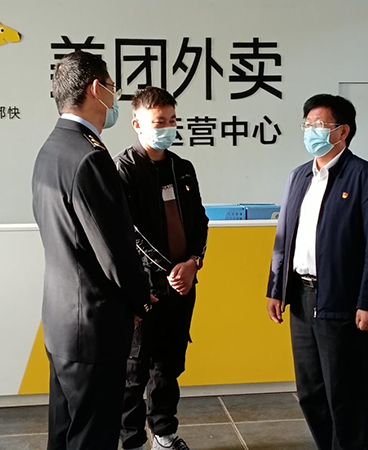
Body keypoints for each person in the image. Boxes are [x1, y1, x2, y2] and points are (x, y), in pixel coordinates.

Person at [32, 51, 154, 450]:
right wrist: (141, 300)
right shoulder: (90, 157)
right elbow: (114, 251)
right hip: (93, 326)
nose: (115, 98)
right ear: (97, 89)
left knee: (65, 431)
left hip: (62, 319)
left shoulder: (52, 148)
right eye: (113, 88)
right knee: (92, 436)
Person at [266, 94, 368, 450]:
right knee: (310, 392)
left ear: (342, 131)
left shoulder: (365, 177)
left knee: (346, 395)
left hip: (342, 300)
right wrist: (276, 289)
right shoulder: (298, 177)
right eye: (307, 125)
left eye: (319, 125)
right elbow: (284, 239)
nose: (311, 131)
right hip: (301, 299)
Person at [114, 86, 209, 450]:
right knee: (134, 368)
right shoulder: (123, 170)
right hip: (144, 288)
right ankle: (132, 440)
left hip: (183, 286)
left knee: (168, 365)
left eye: (172, 120)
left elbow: (200, 221)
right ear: (138, 124)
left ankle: (164, 435)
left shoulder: (182, 168)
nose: (167, 128)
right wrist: (172, 269)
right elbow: (128, 232)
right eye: (159, 122)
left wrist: (193, 262)